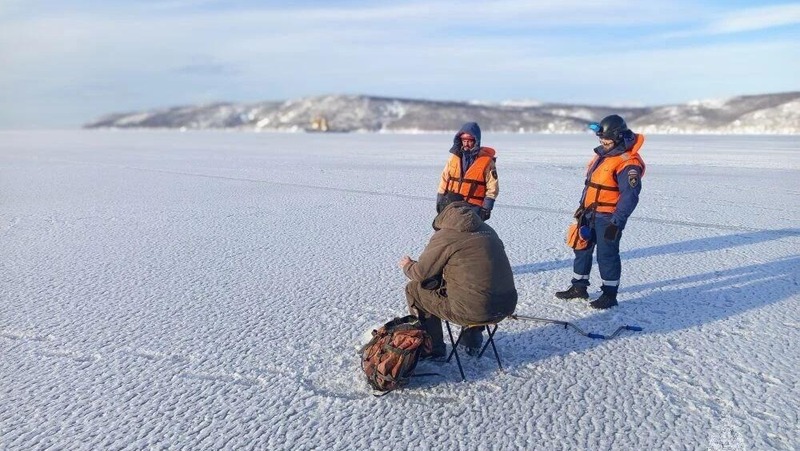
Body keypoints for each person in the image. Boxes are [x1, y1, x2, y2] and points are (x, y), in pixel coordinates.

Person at [398, 193, 517, 357]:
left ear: (442, 212)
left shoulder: (446, 235)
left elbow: (421, 273)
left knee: (414, 290)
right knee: (474, 287)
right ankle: (472, 337)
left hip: (474, 310)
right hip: (506, 306)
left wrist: (408, 265)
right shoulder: (488, 229)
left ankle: (432, 349)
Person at [556, 114, 646, 309]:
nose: (603, 143)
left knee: (607, 255)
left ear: (619, 137)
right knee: (581, 248)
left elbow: (630, 196)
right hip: (588, 213)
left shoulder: (628, 163)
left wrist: (617, 222)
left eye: (607, 140)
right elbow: (590, 186)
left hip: (608, 217)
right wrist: (581, 208)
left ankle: (609, 295)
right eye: (601, 140)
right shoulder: (603, 155)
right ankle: (579, 287)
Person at [436, 122, 499, 221]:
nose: (466, 144)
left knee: (471, 230)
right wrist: (440, 199)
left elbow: (492, 186)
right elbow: (444, 179)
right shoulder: (453, 158)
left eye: (469, 141)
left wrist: (487, 207)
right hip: (452, 204)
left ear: (476, 141)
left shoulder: (487, 162)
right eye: (464, 140)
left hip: (474, 208)